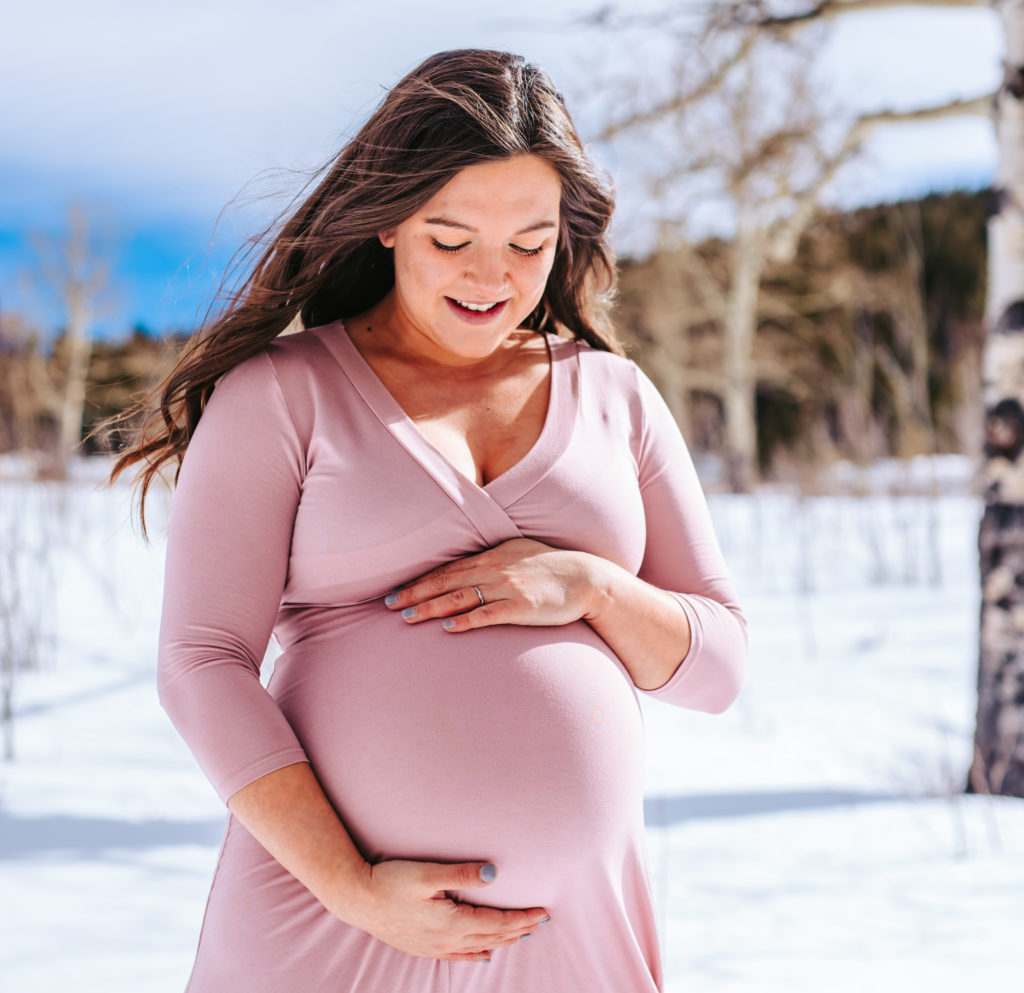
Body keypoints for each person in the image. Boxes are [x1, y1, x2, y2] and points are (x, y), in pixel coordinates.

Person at [109, 48, 747, 993]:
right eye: (452, 239)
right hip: (327, 919)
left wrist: (591, 586)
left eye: (530, 244)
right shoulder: (284, 394)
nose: (492, 276)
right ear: (389, 223)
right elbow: (201, 659)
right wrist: (351, 885)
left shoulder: (615, 396)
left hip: (568, 931)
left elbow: (720, 667)